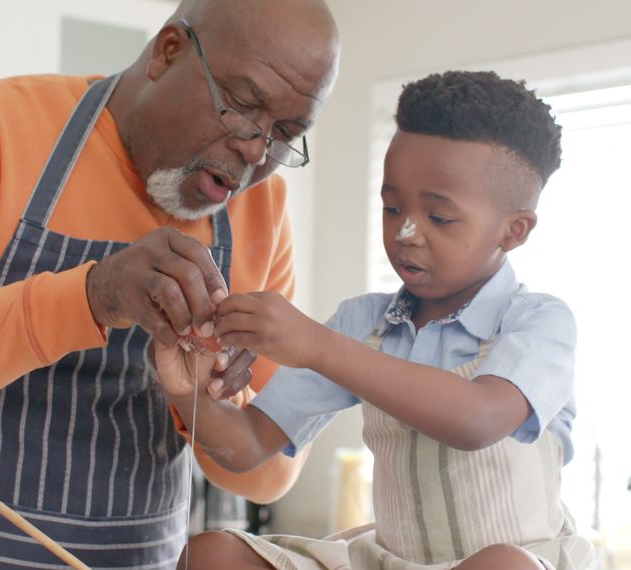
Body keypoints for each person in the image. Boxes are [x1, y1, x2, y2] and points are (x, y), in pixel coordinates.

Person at [0, 0, 339, 568]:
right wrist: (92, 296)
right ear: (168, 52)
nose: (256, 152)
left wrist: (200, 396)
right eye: (241, 106)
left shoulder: (263, 209)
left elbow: (272, 472)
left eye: (285, 134)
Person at [155, 71, 596, 570]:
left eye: (440, 218)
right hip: (392, 562)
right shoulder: (363, 322)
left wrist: (316, 345)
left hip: (520, 562)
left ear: (514, 231)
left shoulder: (540, 323)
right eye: (392, 207)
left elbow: (479, 419)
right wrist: (181, 388)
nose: (405, 232)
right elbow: (249, 444)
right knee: (211, 556)